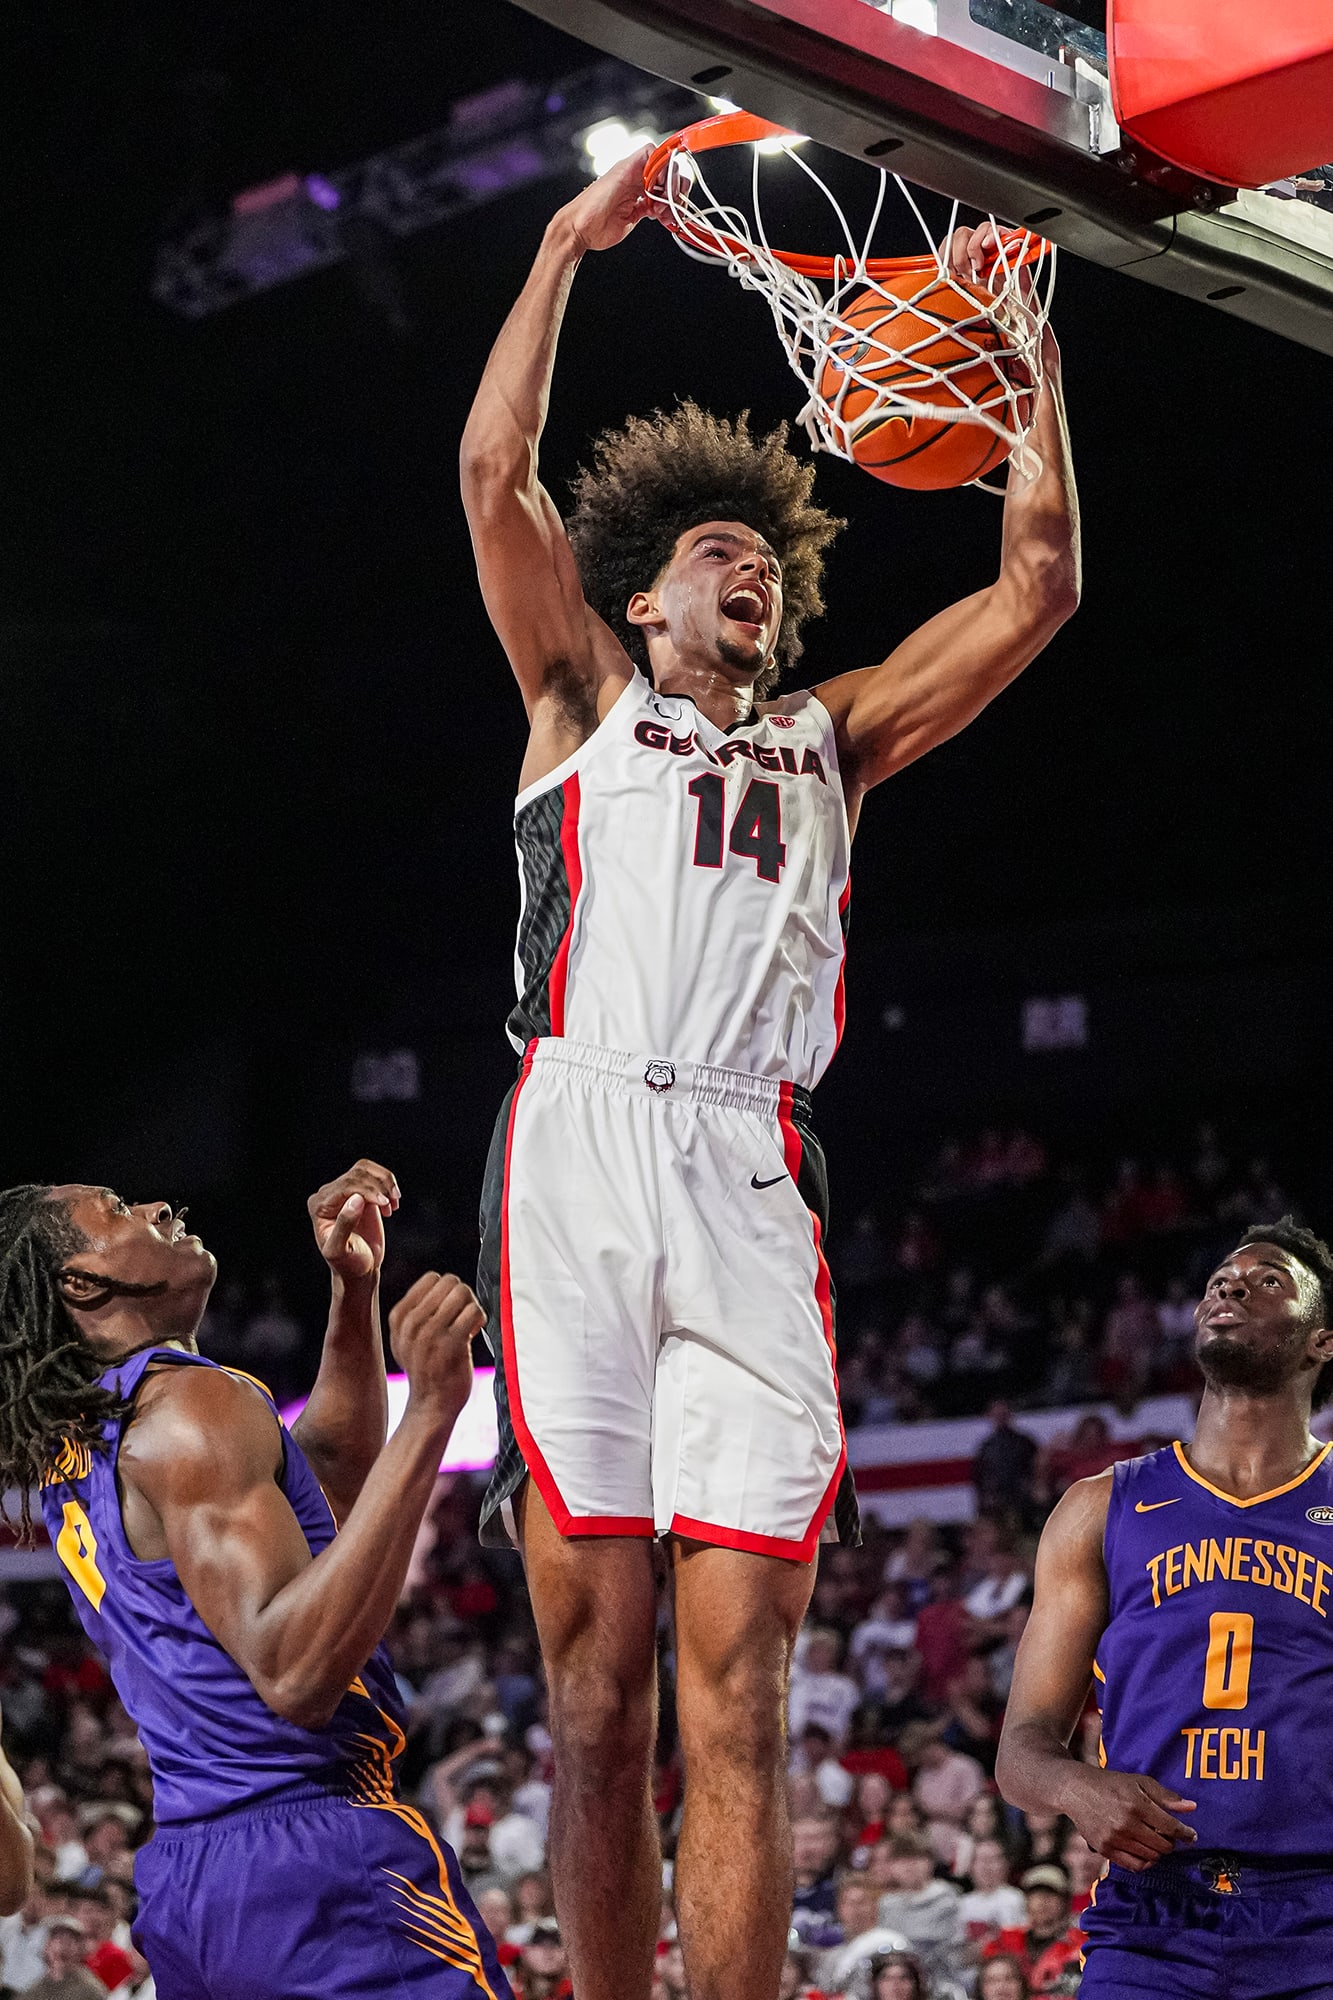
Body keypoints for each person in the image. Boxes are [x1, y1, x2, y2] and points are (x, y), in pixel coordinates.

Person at [460, 130, 1079, 2000]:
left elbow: (1036, 582)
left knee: (745, 1688)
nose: (743, 567)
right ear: (638, 600)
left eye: (759, 557)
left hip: (746, 1172)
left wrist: (1024, 348)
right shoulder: (579, 700)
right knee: (593, 1689)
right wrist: (570, 238)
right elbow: (493, 471)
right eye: (705, 553)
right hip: (573, 1138)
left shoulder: (833, 739)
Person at [0, 1167, 506, 2000]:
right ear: (83, 1282)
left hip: (197, 1875)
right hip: (316, 1861)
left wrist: (354, 1289)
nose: (159, 1206)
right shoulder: (190, 1405)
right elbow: (296, 1673)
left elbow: (328, 1480)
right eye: (121, 1212)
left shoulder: (90, 1437)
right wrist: (429, 1414)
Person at [996, 1218, 1333, 1996]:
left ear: (1322, 1342)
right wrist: (1078, 1787)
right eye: (1221, 1277)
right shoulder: (1097, 1507)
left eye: (1269, 1280)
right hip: (1152, 1917)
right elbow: (1020, 1749)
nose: (1231, 1284)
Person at [981, 1867, 1083, 1994]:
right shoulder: (1006, 1941)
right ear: (1026, 1900)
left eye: (1051, 1894)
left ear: (1064, 1901)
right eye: (1035, 1894)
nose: (1042, 1901)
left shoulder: (1078, 1944)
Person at [20, 1917, 103, 2000]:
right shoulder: (36, 1989)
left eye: (71, 1939)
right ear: (47, 1946)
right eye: (57, 1938)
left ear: (80, 1950)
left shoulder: (89, 1989)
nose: (63, 1946)